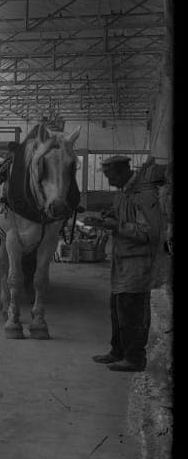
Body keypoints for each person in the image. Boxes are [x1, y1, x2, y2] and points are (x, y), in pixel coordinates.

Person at [85, 155, 161, 372]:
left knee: (131, 311)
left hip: (138, 262)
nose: (108, 181)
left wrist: (116, 226)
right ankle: (117, 351)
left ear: (122, 171)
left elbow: (150, 233)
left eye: (110, 176)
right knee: (117, 309)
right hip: (122, 260)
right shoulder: (123, 193)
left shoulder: (143, 195)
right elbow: (121, 217)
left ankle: (134, 358)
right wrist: (107, 217)